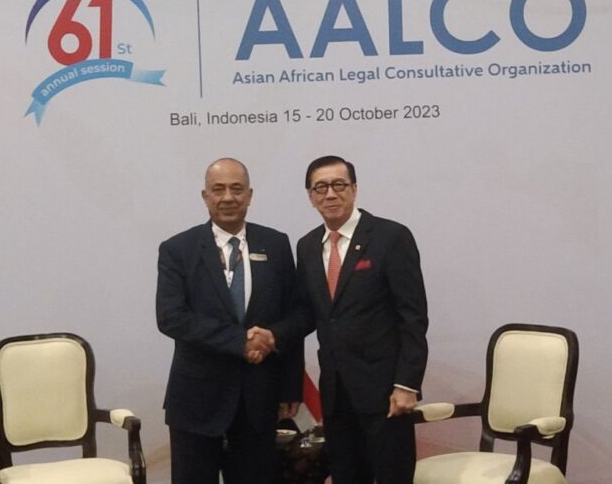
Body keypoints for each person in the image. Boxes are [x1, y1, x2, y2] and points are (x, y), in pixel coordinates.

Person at [156, 158, 303, 484]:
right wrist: (240, 341)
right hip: (196, 401)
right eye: (218, 189)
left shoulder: (276, 244)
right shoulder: (178, 249)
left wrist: (290, 384)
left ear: (249, 195)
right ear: (205, 196)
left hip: (259, 399)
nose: (228, 197)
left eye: (236, 189)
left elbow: (297, 314)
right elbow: (171, 318)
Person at [295, 155, 429, 484]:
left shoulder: (390, 237)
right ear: (310, 196)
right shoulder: (307, 246)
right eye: (320, 187)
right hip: (336, 395)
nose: (330, 194)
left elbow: (412, 318)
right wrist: (267, 335)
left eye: (339, 185)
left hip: (386, 394)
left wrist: (406, 384)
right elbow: (308, 314)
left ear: (354, 189)